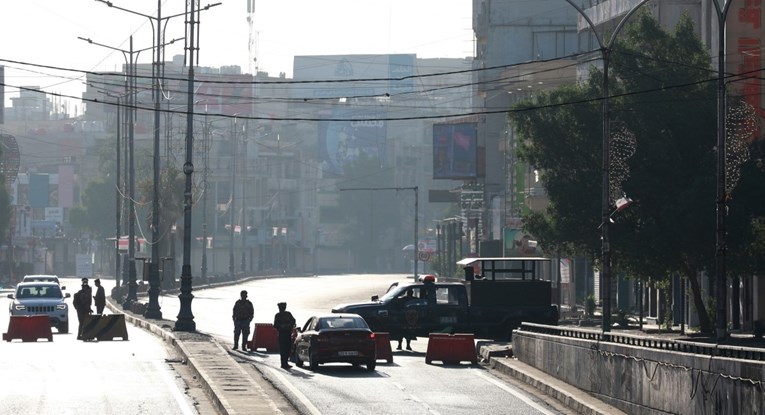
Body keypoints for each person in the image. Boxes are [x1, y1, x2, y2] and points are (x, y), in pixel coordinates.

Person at [273, 302, 296, 369]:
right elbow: (275, 325)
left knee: (288, 348)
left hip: (288, 333)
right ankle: (283, 363)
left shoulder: (288, 314)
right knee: (283, 349)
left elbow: (293, 321)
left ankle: (285, 362)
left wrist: (289, 325)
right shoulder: (278, 315)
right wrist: (281, 326)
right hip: (282, 334)